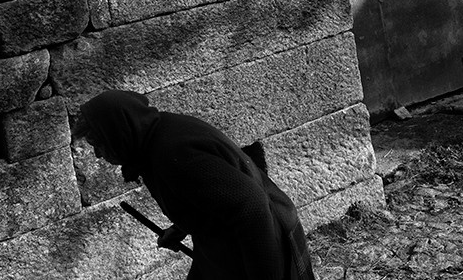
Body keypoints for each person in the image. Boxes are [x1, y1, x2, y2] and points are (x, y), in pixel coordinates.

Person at [71, 90, 316, 280]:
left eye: (99, 144)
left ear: (119, 133)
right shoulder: (154, 141)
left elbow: (252, 207)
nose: (98, 155)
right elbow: (209, 195)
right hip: (224, 243)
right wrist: (181, 227)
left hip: (263, 242)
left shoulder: (173, 153)